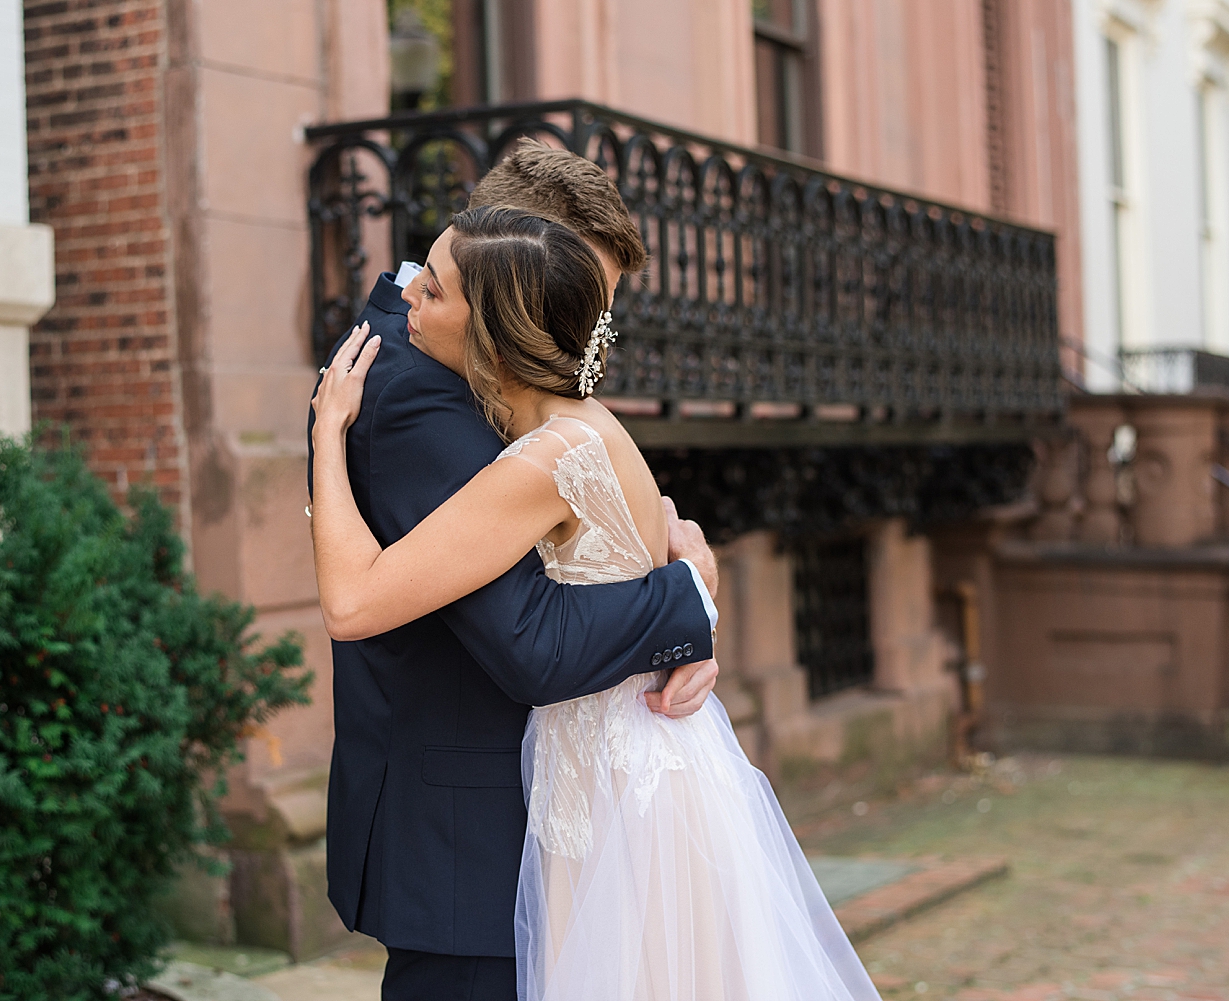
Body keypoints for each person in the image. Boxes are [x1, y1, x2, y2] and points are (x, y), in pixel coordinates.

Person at [311, 205, 881, 1001]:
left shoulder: (542, 455)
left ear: (495, 335)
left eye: (434, 291)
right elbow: (635, 539)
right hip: (635, 771)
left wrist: (326, 442)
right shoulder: (583, 426)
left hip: (601, 793)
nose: (411, 297)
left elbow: (355, 601)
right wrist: (688, 587)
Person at [306, 142, 724, 1001]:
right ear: (513, 268)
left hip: (547, 826)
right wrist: (688, 602)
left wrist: (675, 566)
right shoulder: (418, 384)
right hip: (471, 844)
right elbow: (528, 638)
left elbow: (575, 525)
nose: (585, 329)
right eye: (575, 292)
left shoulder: (499, 375)